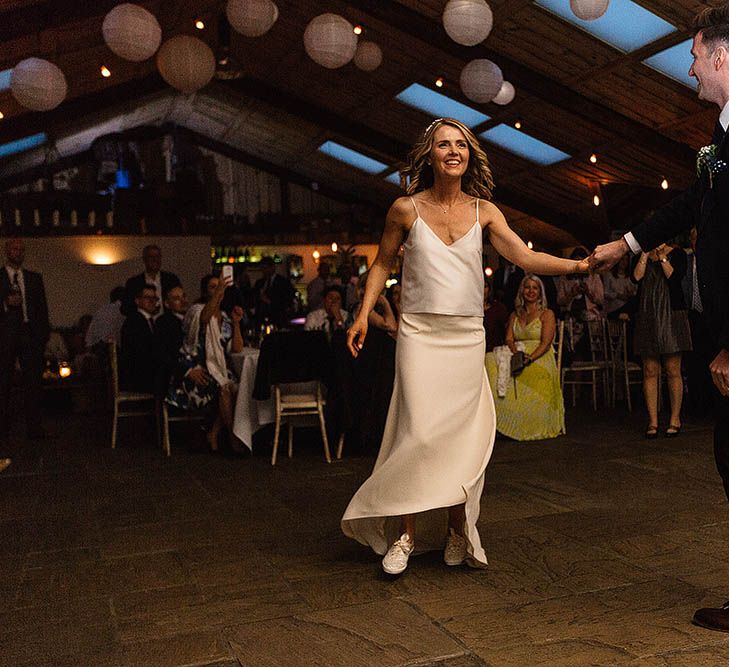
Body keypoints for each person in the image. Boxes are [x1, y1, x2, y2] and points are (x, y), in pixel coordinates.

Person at [342, 117, 589, 575]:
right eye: (443, 145)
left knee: (458, 438)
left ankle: (458, 529)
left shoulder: (485, 211)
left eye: (460, 144)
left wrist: (578, 268)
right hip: (419, 335)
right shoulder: (405, 209)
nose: (452, 151)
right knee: (415, 432)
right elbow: (380, 266)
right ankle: (405, 535)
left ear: (469, 155)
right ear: (430, 156)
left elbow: (526, 256)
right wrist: (362, 315)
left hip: (465, 338)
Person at [589, 5, 729, 632]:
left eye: (697, 54)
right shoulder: (720, 142)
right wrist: (626, 244)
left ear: (722, 56)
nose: (690, 65)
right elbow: (688, 208)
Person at [167, 274, 244, 453]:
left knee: (240, 387)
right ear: (204, 291)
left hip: (219, 370)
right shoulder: (196, 310)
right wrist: (218, 294)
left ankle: (214, 432)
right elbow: (204, 319)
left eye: (220, 287)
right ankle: (233, 439)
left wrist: (236, 323)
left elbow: (237, 349)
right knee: (224, 389)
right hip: (197, 370)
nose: (218, 290)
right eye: (213, 287)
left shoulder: (224, 316)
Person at [485, 275, 564, 440]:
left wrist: (529, 358)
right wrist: (517, 353)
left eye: (535, 288)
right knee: (489, 359)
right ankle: (501, 417)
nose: (531, 291)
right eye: (527, 287)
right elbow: (508, 339)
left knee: (529, 371)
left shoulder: (547, 314)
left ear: (540, 292)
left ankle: (528, 421)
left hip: (539, 354)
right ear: (522, 291)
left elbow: (546, 343)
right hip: (517, 352)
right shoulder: (515, 314)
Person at [632, 244, 691, 438]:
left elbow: (674, 278)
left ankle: (675, 418)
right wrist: (645, 255)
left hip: (671, 314)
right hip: (648, 314)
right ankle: (653, 421)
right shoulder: (642, 254)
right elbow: (636, 277)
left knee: (673, 369)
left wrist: (662, 257)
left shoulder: (679, 253)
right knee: (650, 370)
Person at [0, 238, 50, 440]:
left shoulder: (33, 278)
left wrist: (42, 335)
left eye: (21, 250)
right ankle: (3, 428)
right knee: (4, 382)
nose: (18, 253)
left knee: (33, 382)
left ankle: (34, 427)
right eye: (14, 249)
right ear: (6, 252)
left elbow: (42, 308)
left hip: (30, 333)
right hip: (5, 334)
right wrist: (5, 302)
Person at [682, 227, 715, 418]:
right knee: (694, 363)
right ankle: (696, 406)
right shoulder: (686, 262)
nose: (696, 242)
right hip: (692, 315)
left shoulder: (712, 260)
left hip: (710, 316)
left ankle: (711, 405)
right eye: (693, 239)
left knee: (711, 360)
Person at [119, 284, 159, 393]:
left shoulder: (148, 321)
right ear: (137, 301)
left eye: (154, 298)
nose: (152, 301)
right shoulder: (134, 322)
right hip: (139, 375)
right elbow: (141, 352)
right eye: (147, 298)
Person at [123, 244, 180, 316]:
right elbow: (126, 308)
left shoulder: (171, 280)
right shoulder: (134, 283)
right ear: (144, 259)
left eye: (157, 257)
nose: (155, 260)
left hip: (167, 324)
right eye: (151, 257)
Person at [253, 256, 295, 327]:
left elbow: (287, 301)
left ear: (273, 267)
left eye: (266, 268)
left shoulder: (283, 282)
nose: (264, 271)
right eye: (262, 268)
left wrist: (269, 301)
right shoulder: (259, 283)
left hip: (278, 318)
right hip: (261, 318)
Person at [603, 254, 637, 319]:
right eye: (622, 259)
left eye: (626, 260)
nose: (624, 262)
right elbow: (606, 293)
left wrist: (630, 293)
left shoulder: (629, 277)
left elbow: (634, 291)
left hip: (626, 306)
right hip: (613, 308)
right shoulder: (609, 275)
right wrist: (618, 295)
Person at [483, 278, 508, 352]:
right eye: (479, 286)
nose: (482, 290)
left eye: (485, 287)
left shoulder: (499, 308)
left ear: (489, 289)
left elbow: (506, 332)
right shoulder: (468, 309)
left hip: (494, 351)